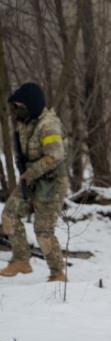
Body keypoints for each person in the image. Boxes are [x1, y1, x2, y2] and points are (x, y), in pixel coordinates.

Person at [1, 82, 69, 281]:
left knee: (43, 230)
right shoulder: (26, 123)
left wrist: (30, 172)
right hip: (31, 180)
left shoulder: (48, 125)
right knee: (9, 215)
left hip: (51, 183)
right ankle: (21, 260)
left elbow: (55, 156)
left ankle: (58, 273)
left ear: (30, 104)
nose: (16, 111)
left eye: (19, 106)